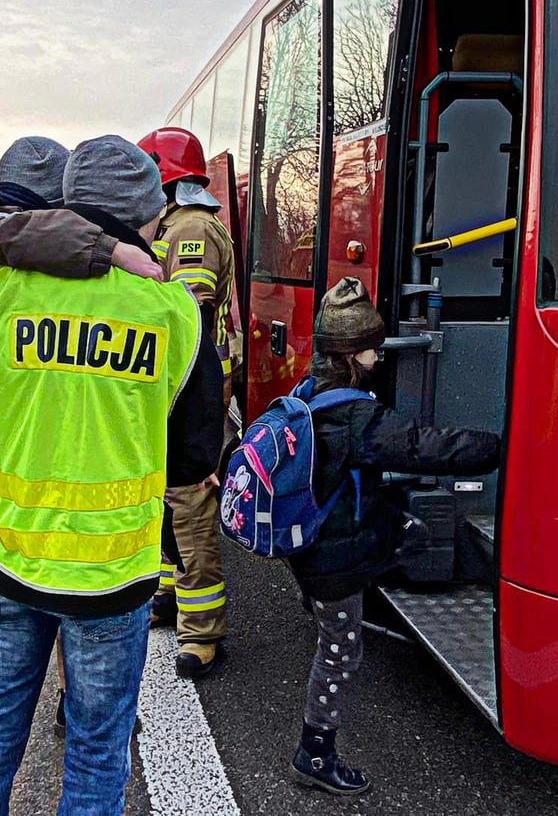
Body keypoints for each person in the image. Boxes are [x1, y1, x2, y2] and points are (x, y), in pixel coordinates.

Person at [0, 135, 223, 814]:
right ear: (148, 215)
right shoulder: (172, 311)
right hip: (112, 577)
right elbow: (192, 457)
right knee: (97, 746)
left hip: (10, 561)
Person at [286, 277, 500, 795]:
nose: (379, 357)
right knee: (340, 649)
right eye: (373, 348)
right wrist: (500, 445)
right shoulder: (355, 417)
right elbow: (426, 448)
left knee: (406, 528)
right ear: (354, 352)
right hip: (331, 559)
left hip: (314, 542)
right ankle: (314, 753)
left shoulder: (307, 393)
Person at [138, 126, 235, 679]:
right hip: (167, 384)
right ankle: (169, 596)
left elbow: (188, 310)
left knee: (187, 501)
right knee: (162, 496)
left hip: (188, 386)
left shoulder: (191, 228)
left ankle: (202, 632)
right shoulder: (175, 223)